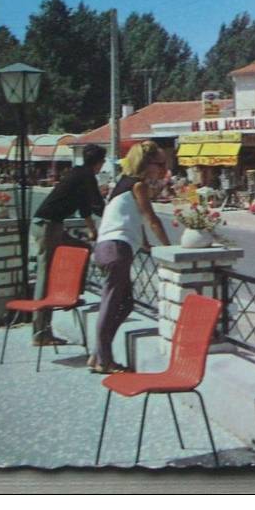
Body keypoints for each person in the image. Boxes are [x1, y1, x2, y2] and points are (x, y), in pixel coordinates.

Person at [90, 141, 171, 374]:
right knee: (110, 305)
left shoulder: (123, 184)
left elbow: (131, 216)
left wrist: (143, 242)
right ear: (148, 164)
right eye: (160, 164)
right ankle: (104, 361)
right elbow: (150, 217)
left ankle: (97, 354)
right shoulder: (138, 186)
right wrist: (168, 247)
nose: (162, 169)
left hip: (107, 247)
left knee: (125, 304)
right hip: (117, 249)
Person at [29, 144, 107, 346]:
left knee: (82, 249)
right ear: (99, 162)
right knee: (44, 278)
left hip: (49, 224)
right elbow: (97, 205)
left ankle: (71, 295)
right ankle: (40, 334)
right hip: (48, 226)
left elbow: (84, 207)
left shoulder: (78, 173)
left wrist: (93, 230)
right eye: (103, 162)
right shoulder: (87, 176)